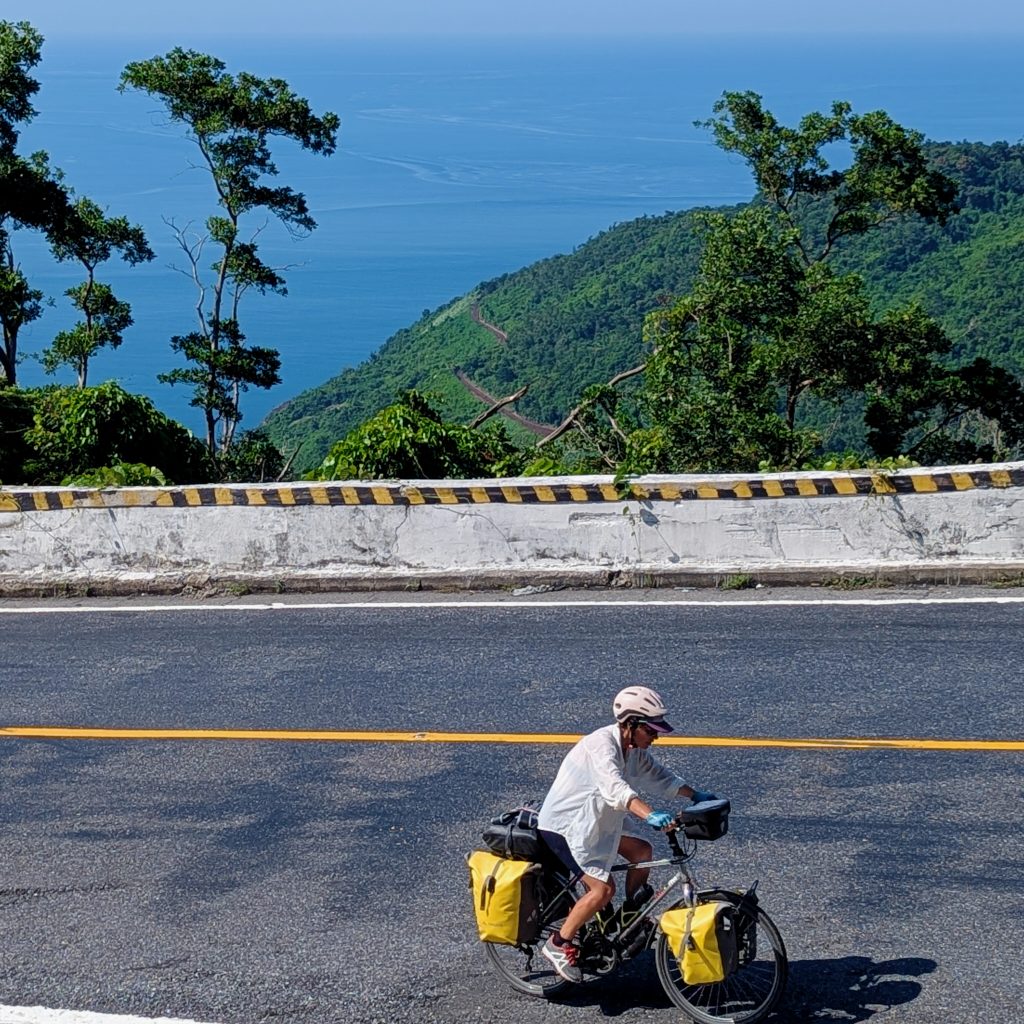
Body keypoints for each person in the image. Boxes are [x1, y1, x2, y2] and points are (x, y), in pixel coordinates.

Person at [537, 685, 716, 983]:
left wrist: (695, 794)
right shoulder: (601, 744)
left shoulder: (632, 750)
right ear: (630, 724)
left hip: (599, 821)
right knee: (602, 889)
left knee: (642, 852)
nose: (655, 737)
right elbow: (615, 790)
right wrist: (650, 814)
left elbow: (660, 776)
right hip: (565, 826)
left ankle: (626, 918)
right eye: (651, 730)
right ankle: (559, 943)